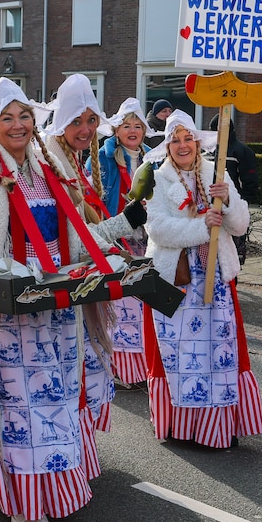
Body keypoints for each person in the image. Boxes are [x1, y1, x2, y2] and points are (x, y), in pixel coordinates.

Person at [0, 77, 119, 522]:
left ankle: (54, 486)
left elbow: (75, 236)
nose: (17, 125)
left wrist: (120, 230)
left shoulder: (48, 164)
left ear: (35, 122)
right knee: (20, 405)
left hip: (57, 300)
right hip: (11, 304)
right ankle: (23, 503)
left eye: (24, 116)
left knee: (55, 396)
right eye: (7, 117)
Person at [142, 110, 262, 448]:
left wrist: (226, 201)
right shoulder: (156, 179)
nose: (183, 146)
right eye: (175, 140)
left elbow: (239, 226)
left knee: (218, 353)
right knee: (181, 354)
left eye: (188, 139)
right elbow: (157, 229)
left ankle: (217, 428)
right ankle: (183, 428)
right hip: (176, 279)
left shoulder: (216, 171)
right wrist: (202, 226)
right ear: (167, 146)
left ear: (197, 143)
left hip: (215, 277)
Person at [44, 74, 146, 415]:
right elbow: (78, 241)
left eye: (91, 121)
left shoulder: (70, 158)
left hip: (75, 277)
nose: (86, 129)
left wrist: (128, 220)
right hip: (58, 281)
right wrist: (124, 223)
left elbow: (84, 232)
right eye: (76, 121)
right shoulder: (54, 162)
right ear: (61, 122)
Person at [92, 97, 156, 386]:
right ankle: (120, 368)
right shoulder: (101, 159)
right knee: (122, 304)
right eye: (126, 126)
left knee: (144, 303)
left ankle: (144, 368)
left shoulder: (156, 158)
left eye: (137, 126)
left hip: (149, 237)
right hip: (117, 238)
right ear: (116, 131)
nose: (132, 131)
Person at [208, 113, 259, 204]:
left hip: (234, 203)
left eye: (216, 132)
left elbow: (250, 181)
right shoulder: (209, 150)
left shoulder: (242, 151)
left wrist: (241, 202)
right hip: (209, 203)